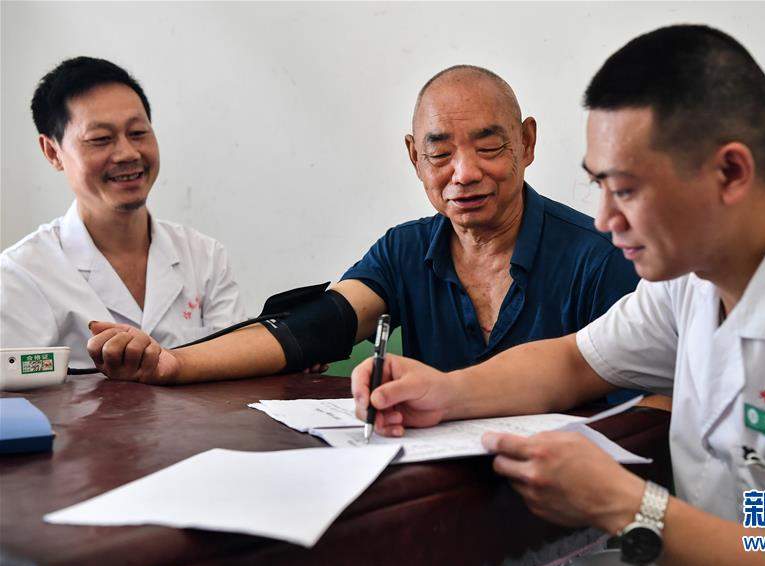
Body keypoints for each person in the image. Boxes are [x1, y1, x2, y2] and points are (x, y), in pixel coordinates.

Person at [350, 26, 765, 566]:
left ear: (730, 172)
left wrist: (627, 506)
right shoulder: (694, 276)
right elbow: (574, 361)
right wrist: (443, 392)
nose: (606, 220)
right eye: (600, 187)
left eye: (627, 190)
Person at [85, 66, 641, 398]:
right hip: (439, 498)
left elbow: (650, 411)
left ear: (527, 142)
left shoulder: (601, 258)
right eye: (440, 152)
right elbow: (318, 326)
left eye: (489, 145)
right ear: (414, 157)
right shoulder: (406, 250)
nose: (464, 172)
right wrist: (173, 362)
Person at [0, 57, 246, 368]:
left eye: (138, 133)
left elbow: (237, 365)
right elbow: (12, 388)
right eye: (101, 139)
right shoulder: (21, 274)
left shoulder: (204, 257)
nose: (128, 153)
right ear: (53, 152)